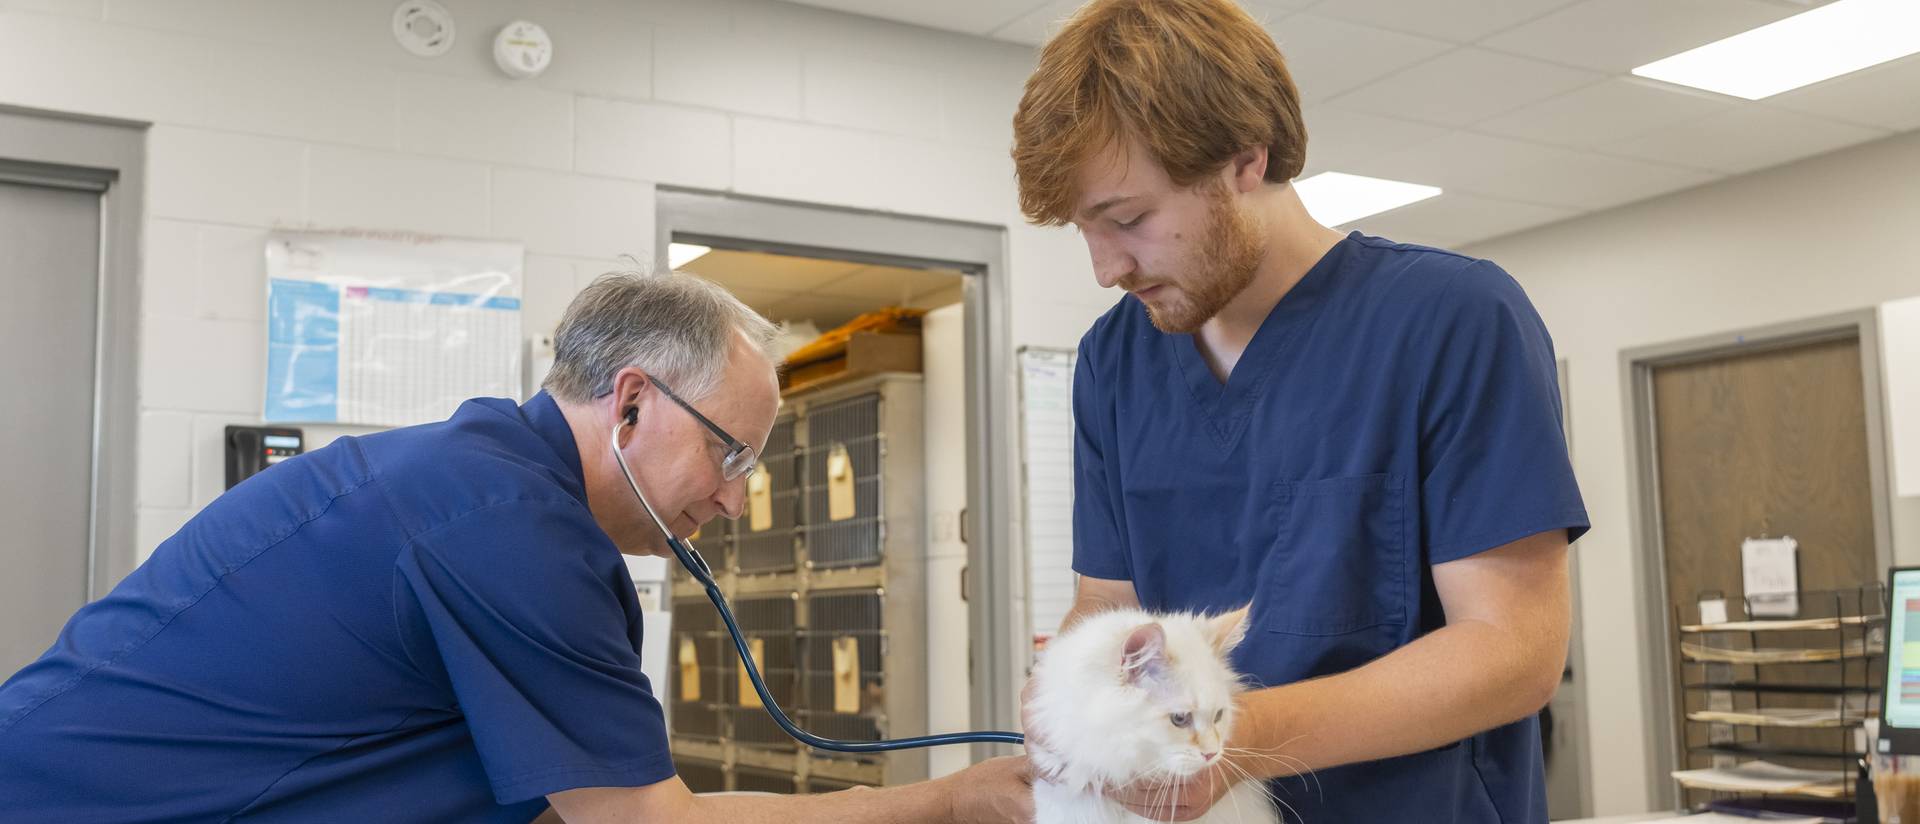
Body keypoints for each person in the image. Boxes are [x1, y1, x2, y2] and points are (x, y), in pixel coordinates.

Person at [0, 272, 1031, 823]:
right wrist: (951, 801)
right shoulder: (503, 528)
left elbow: (557, 806)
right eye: (729, 452)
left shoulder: (488, 482)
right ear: (633, 400)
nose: (729, 498)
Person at [1011, 0, 1589, 821]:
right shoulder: (1116, 361)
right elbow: (1108, 606)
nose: (1106, 268)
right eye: (1084, 231)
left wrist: (1231, 739)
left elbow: (1514, 649)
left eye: (1129, 220)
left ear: (1247, 157)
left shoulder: (1451, 320)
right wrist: (1066, 697)